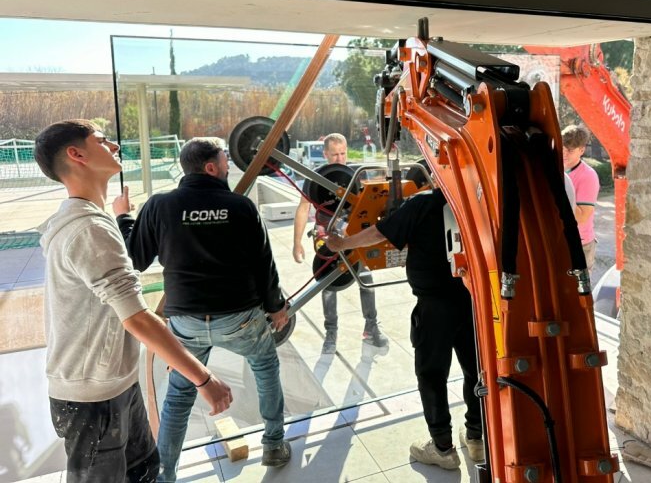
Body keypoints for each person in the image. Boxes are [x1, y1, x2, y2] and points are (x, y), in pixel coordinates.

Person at [34, 120, 232, 483]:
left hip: (114, 383)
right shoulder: (88, 229)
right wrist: (203, 379)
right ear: (76, 154)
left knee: (144, 471)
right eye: (102, 140)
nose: (114, 146)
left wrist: (120, 215)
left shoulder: (90, 219)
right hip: (93, 397)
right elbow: (136, 317)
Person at [114, 137, 291, 481]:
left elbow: (134, 258)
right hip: (240, 319)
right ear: (211, 167)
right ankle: (273, 444)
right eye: (225, 160)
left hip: (186, 322)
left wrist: (123, 216)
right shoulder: (241, 206)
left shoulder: (160, 205)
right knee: (266, 368)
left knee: (180, 394)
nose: (228, 165)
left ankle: (165, 475)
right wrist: (276, 307)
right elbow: (264, 265)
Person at [326, 187, 483, 470]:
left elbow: (378, 233)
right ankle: (476, 437)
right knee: (475, 369)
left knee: (431, 374)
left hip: (433, 307)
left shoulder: (423, 204)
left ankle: (442, 448)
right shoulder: (476, 200)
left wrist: (343, 243)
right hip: (471, 302)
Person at [292, 133, 387, 354]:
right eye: (335, 154)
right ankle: (331, 333)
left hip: (353, 235)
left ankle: (371, 327)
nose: (340, 158)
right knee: (328, 285)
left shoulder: (357, 174)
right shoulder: (315, 177)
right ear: (325, 154)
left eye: (343, 153)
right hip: (327, 236)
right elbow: (303, 208)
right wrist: (297, 243)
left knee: (366, 279)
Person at [562, 125, 600, 272]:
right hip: (559, 240)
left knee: (577, 287)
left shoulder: (588, 176)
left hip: (580, 244)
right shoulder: (557, 168)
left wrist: (560, 191)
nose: (564, 154)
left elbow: (582, 217)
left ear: (582, 150)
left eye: (570, 150)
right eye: (563, 148)